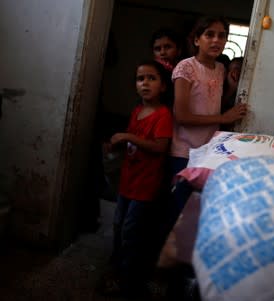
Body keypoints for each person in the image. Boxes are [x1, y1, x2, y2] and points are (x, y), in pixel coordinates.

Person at [100, 59, 173, 297]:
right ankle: (118, 272)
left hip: (145, 186)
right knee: (119, 226)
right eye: (141, 79)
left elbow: (160, 147)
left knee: (133, 233)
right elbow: (131, 145)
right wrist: (114, 147)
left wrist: (128, 136)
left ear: (163, 86)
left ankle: (130, 282)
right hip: (127, 183)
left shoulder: (163, 115)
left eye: (151, 78)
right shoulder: (137, 111)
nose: (145, 83)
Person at [167, 16, 248, 231]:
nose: (216, 40)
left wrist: (231, 88)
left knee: (196, 214)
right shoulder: (186, 68)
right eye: (209, 34)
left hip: (209, 153)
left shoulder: (221, 69)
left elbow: (213, 104)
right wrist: (224, 118)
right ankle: (165, 261)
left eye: (222, 36)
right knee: (178, 213)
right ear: (196, 40)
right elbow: (182, 116)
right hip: (184, 153)